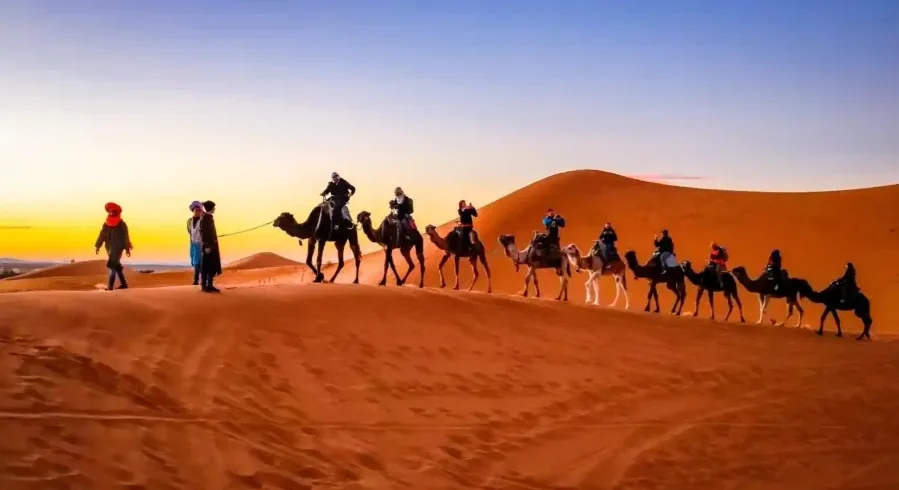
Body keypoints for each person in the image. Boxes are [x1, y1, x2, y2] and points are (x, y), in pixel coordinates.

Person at [94, 202, 133, 290]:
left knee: (113, 265)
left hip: (118, 248)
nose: (112, 213)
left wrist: (127, 248)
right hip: (109, 248)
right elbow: (102, 235)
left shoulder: (122, 224)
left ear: (117, 213)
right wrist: (98, 246)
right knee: (117, 266)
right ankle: (124, 284)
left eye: (114, 212)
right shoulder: (106, 224)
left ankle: (110, 287)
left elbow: (126, 237)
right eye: (110, 212)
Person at [199, 200, 222, 293]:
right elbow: (203, 233)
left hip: (212, 245)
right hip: (208, 246)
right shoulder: (205, 218)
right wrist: (207, 246)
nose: (215, 209)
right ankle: (204, 286)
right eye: (214, 208)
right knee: (206, 265)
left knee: (211, 265)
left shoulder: (208, 217)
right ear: (211, 208)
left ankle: (210, 285)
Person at [187, 201, 204, 286]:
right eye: (196, 210)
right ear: (193, 211)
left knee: (199, 262)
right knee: (194, 262)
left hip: (201, 244)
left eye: (199, 210)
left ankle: (197, 280)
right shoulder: (189, 221)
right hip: (193, 244)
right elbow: (190, 232)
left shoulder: (203, 220)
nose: (197, 212)